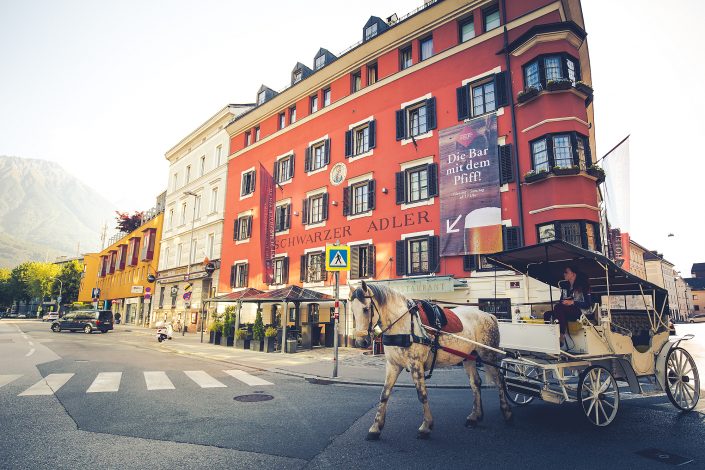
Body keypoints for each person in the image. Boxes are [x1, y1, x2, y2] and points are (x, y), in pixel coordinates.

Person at [544, 265, 591, 351]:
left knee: (558, 308)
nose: (564, 274)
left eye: (566, 272)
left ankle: (561, 335)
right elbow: (561, 301)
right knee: (547, 314)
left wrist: (572, 302)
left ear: (573, 274)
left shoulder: (583, 286)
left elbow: (587, 304)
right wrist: (564, 302)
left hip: (579, 312)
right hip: (565, 311)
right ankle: (552, 337)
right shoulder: (565, 287)